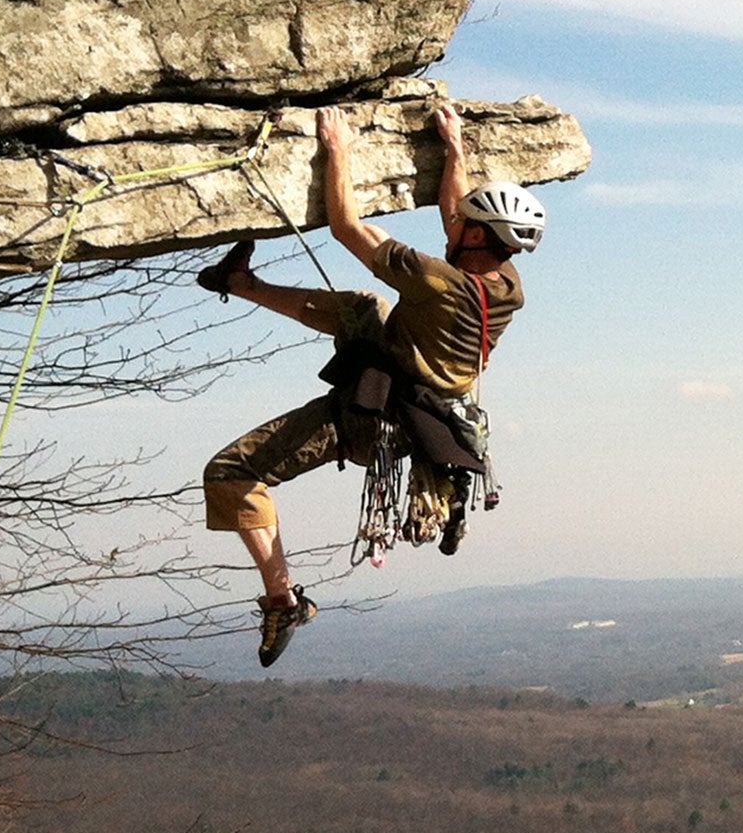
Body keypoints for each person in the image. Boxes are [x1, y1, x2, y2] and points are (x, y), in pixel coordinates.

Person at [197, 102, 545, 666]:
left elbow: (346, 227)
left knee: (231, 472)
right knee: (365, 308)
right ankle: (240, 282)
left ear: (478, 235)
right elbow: (453, 209)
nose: (453, 224)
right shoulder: (506, 282)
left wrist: (339, 150)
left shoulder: (436, 281)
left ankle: (282, 599)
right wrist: (452, 148)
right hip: (434, 405)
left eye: (464, 224)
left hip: (376, 421)